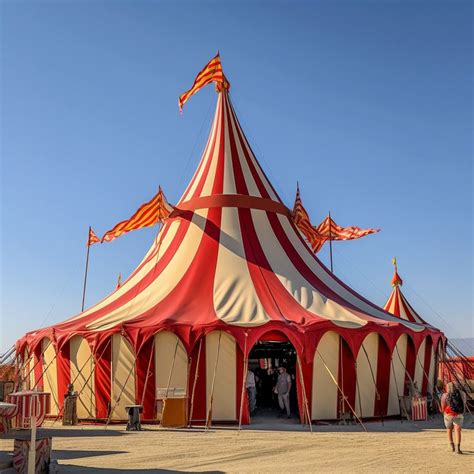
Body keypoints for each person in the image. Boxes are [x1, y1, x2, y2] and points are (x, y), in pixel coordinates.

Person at [440, 382, 467, 454]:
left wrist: (443, 411)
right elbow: (464, 403)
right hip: (458, 414)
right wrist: (462, 411)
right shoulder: (462, 394)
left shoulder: (445, 395)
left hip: (448, 414)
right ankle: (458, 448)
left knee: (449, 429)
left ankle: (452, 446)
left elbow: (443, 405)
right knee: (457, 430)